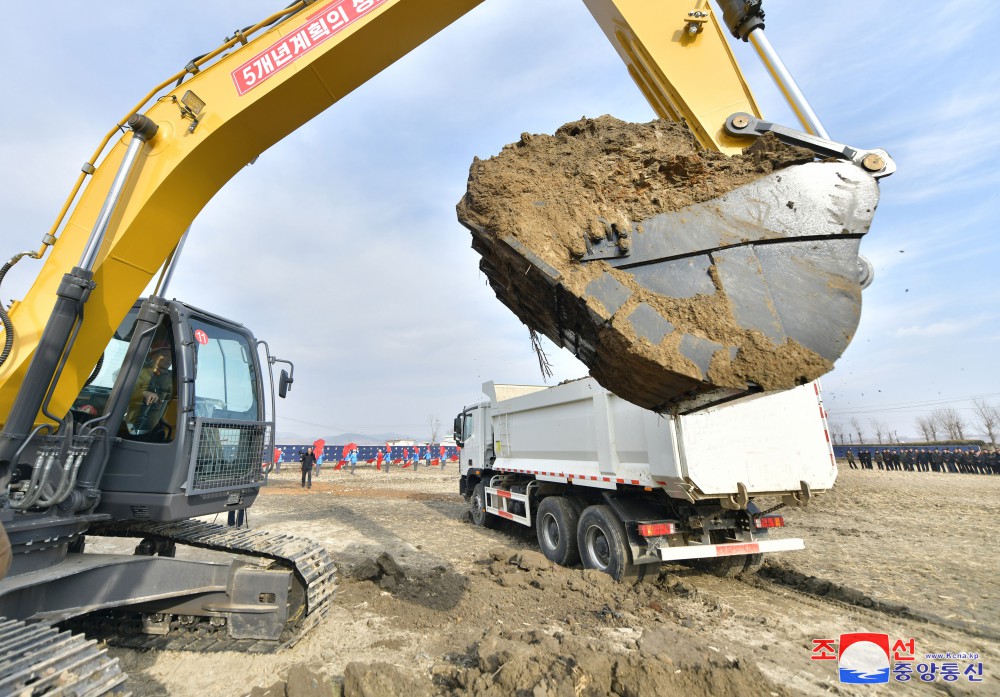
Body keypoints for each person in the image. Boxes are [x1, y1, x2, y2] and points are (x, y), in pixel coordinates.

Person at [124, 341, 174, 440]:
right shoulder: (141, 373)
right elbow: (125, 394)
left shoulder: (171, 379)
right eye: (165, 355)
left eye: (171, 357)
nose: (169, 359)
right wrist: (143, 393)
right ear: (154, 356)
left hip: (156, 423)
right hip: (135, 423)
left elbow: (169, 400)